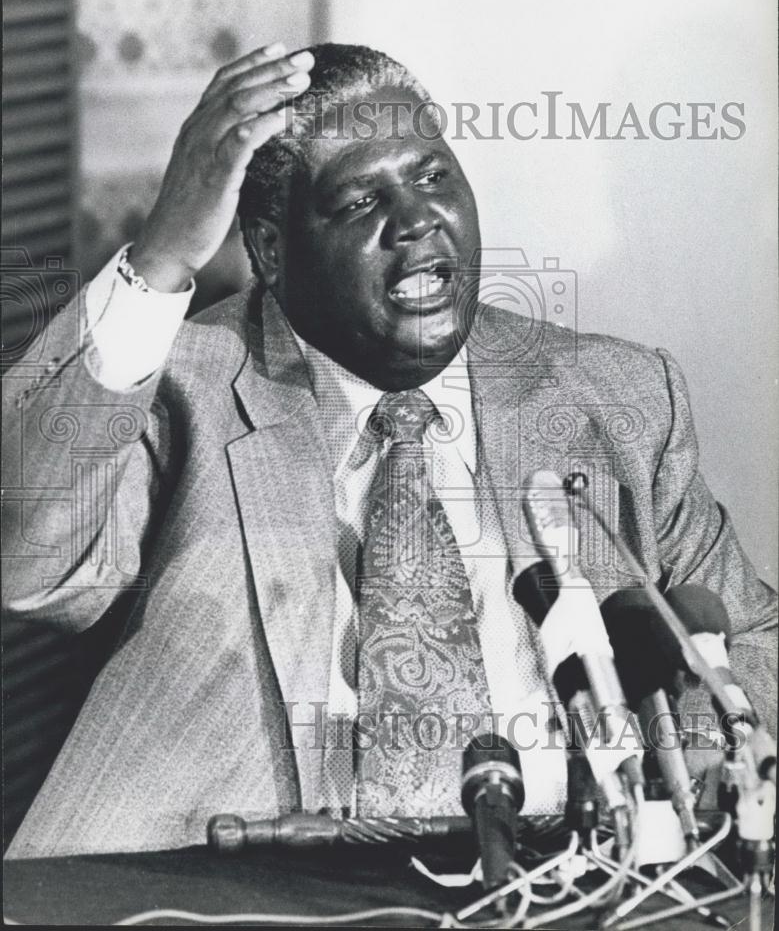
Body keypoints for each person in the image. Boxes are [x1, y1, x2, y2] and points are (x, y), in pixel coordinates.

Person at [3, 42, 776, 858]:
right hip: (234, 886)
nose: (414, 220)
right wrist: (162, 258)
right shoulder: (176, 392)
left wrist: (676, 762)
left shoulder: (615, 396)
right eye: (359, 199)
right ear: (271, 252)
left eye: (433, 175)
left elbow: (751, 641)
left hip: (571, 882)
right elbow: (26, 562)